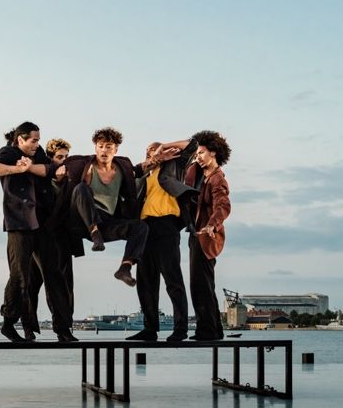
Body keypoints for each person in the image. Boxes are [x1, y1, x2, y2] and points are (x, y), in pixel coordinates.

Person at [0, 122, 76, 342]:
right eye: (33, 140)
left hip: (43, 224)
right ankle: (8, 323)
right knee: (19, 276)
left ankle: (63, 329)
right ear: (21, 139)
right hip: (19, 224)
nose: (37, 144)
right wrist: (18, 168)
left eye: (38, 140)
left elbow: (51, 170)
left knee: (54, 275)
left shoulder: (40, 154)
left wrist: (33, 168)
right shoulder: (9, 153)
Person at [51, 127, 174, 286]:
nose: (104, 150)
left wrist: (157, 160)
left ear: (115, 149)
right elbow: (48, 171)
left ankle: (125, 268)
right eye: (100, 146)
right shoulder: (83, 165)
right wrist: (57, 177)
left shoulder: (122, 168)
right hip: (81, 220)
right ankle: (94, 231)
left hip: (106, 222)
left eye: (108, 147)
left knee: (141, 227)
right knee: (81, 188)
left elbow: (138, 169)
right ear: (95, 148)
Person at [128, 139, 199, 341]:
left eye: (153, 149)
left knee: (172, 279)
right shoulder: (143, 175)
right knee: (145, 281)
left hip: (166, 226)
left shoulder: (173, 167)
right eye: (147, 150)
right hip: (144, 229)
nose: (150, 152)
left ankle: (180, 329)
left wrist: (164, 147)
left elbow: (193, 143)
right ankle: (150, 329)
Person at [184, 131, 232, 341]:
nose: (198, 157)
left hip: (207, 237)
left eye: (201, 153)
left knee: (200, 284)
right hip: (197, 234)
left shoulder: (217, 179)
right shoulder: (199, 174)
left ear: (213, 152)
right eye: (196, 154)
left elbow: (223, 205)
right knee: (203, 284)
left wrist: (212, 224)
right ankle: (214, 330)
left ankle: (207, 330)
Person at [26, 138, 75, 336]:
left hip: (61, 237)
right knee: (32, 283)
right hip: (39, 235)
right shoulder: (40, 177)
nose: (63, 161)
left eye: (66, 157)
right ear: (50, 158)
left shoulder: (70, 179)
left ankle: (63, 327)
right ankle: (29, 327)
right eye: (59, 157)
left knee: (62, 282)